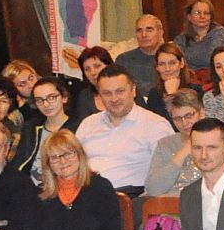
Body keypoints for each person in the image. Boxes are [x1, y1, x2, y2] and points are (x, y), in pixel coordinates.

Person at [74, 65, 174, 195]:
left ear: (133, 91)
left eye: (120, 91)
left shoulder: (156, 125)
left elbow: (168, 172)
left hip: (132, 199)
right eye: (107, 93)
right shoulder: (88, 124)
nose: (114, 99)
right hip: (86, 196)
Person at [143, 88, 209, 196]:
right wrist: (181, 155)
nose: (184, 123)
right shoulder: (165, 144)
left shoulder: (216, 142)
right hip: (165, 206)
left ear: (201, 113)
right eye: (178, 118)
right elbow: (152, 188)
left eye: (188, 115)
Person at [175, 0, 224, 72]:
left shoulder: (220, 33)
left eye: (206, 13)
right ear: (189, 17)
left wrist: (189, 62)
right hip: (189, 79)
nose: (202, 16)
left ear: (211, 17)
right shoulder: (181, 39)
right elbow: (176, 62)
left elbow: (211, 58)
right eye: (197, 13)